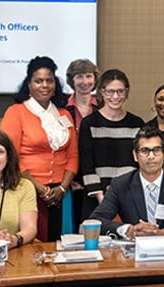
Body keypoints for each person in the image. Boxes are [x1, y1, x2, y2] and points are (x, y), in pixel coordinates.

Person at [0, 56, 78, 242]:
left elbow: (73, 155)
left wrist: (63, 187)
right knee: (34, 244)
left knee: (61, 244)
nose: (44, 85)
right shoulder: (16, 112)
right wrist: (40, 188)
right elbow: (10, 156)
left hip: (61, 194)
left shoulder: (64, 114)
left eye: (49, 80)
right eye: (38, 80)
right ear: (29, 84)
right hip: (28, 190)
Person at [89, 127, 164, 239]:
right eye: (144, 151)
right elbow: (96, 220)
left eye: (156, 150)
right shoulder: (120, 184)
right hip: (134, 249)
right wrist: (128, 230)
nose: (151, 156)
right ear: (135, 156)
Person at [77, 69, 144, 221]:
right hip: (96, 198)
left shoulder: (137, 124)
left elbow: (140, 163)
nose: (115, 97)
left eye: (120, 91)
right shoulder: (89, 123)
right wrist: (104, 201)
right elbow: (86, 165)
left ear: (126, 92)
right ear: (102, 92)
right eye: (110, 92)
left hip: (129, 197)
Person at [63, 58, 98, 234]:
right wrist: (71, 179)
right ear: (71, 80)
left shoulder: (104, 106)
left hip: (96, 177)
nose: (84, 82)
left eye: (88, 76)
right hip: (71, 179)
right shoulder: (61, 108)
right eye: (79, 76)